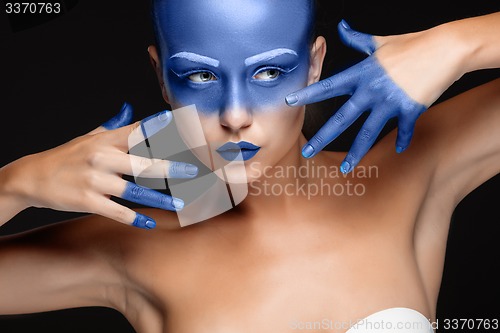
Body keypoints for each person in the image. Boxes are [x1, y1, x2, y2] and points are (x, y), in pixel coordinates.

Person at [1, 0, 499, 332]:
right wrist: (16, 184)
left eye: (268, 72)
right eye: (199, 74)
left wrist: (459, 44)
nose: (235, 115)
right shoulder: (132, 243)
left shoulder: (406, 176)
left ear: (314, 63)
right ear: (160, 75)